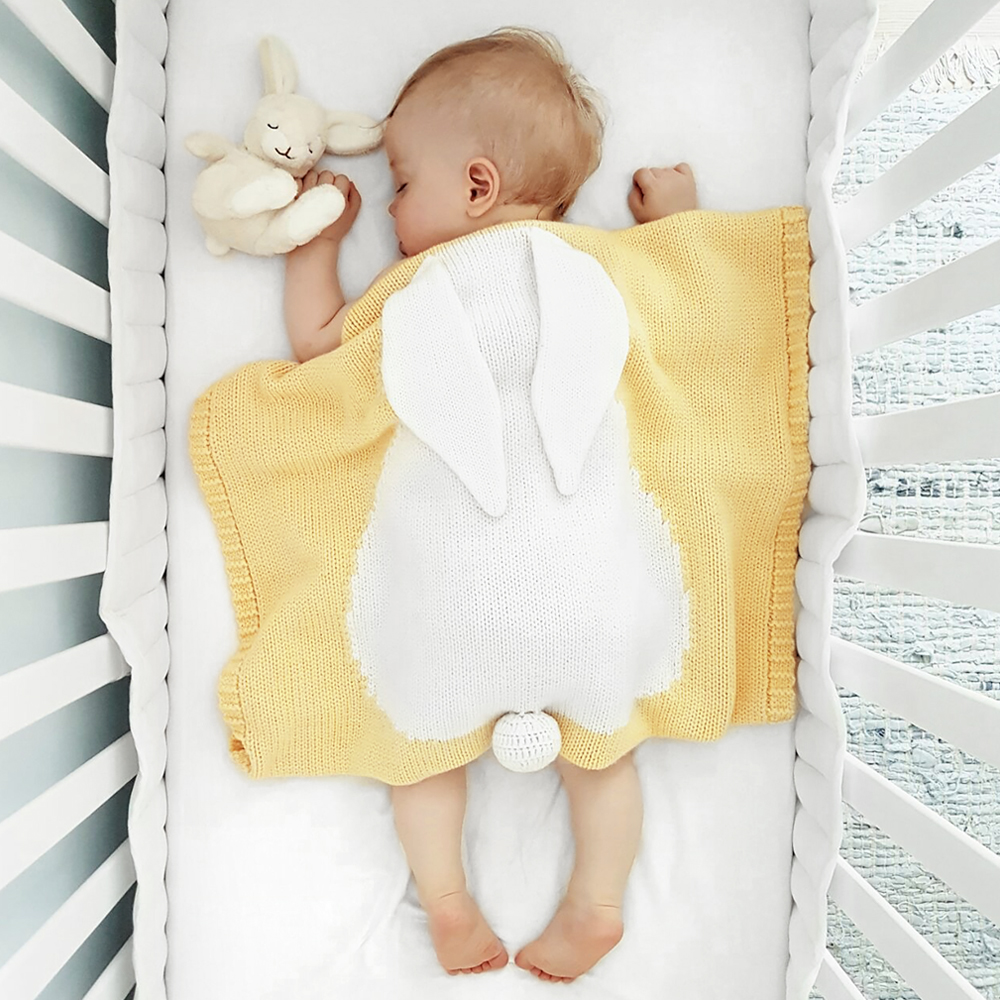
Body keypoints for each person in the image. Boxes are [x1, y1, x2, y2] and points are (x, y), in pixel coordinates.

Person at [282, 26, 698, 982]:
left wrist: (319, 246)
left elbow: (315, 345)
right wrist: (675, 224)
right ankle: (597, 906)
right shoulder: (596, 267)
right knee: (603, 755)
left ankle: (449, 906)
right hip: (589, 599)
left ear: (476, 186)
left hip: (449, 603)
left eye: (400, 182)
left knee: (419, 751)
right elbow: (683, 308)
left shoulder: (418, 290)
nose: (390, 206)